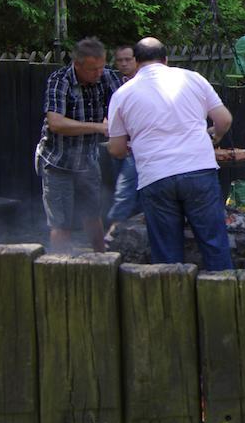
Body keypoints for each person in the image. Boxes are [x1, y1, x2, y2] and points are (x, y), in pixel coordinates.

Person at [106, 38, 234, 271]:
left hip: (156, 177)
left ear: (136, 62)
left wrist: (136, 145)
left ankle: (171, 303)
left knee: (166, 254)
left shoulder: (122, 94)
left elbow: (116, 149)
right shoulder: (192, 78)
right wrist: (214, 136)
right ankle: (225, 299)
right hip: (199, 171)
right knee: (214, 244)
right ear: (166, 60)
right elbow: (224, 120)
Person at [35, 37, 123, 253]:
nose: (99, 73)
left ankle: (102, 262)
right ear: (77, 65)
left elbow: (127, 104)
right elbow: (56, 123)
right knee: (61, 223)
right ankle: (59, 268)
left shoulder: (107, 77)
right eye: (93, 69)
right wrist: (99, 127)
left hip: (87, 161)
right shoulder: (60, 80)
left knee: (92, 215)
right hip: (57, 162)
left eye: (102, 66)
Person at [106, 45, 141, 241]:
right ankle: (129, 236)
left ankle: (114, 230)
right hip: (118, 145)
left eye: (128, 59)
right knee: (123, 187)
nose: (124, 64)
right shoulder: (112, 81)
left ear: (137, 60)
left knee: (125, 189)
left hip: (138, 148)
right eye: (120, 60)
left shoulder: (144, 84)